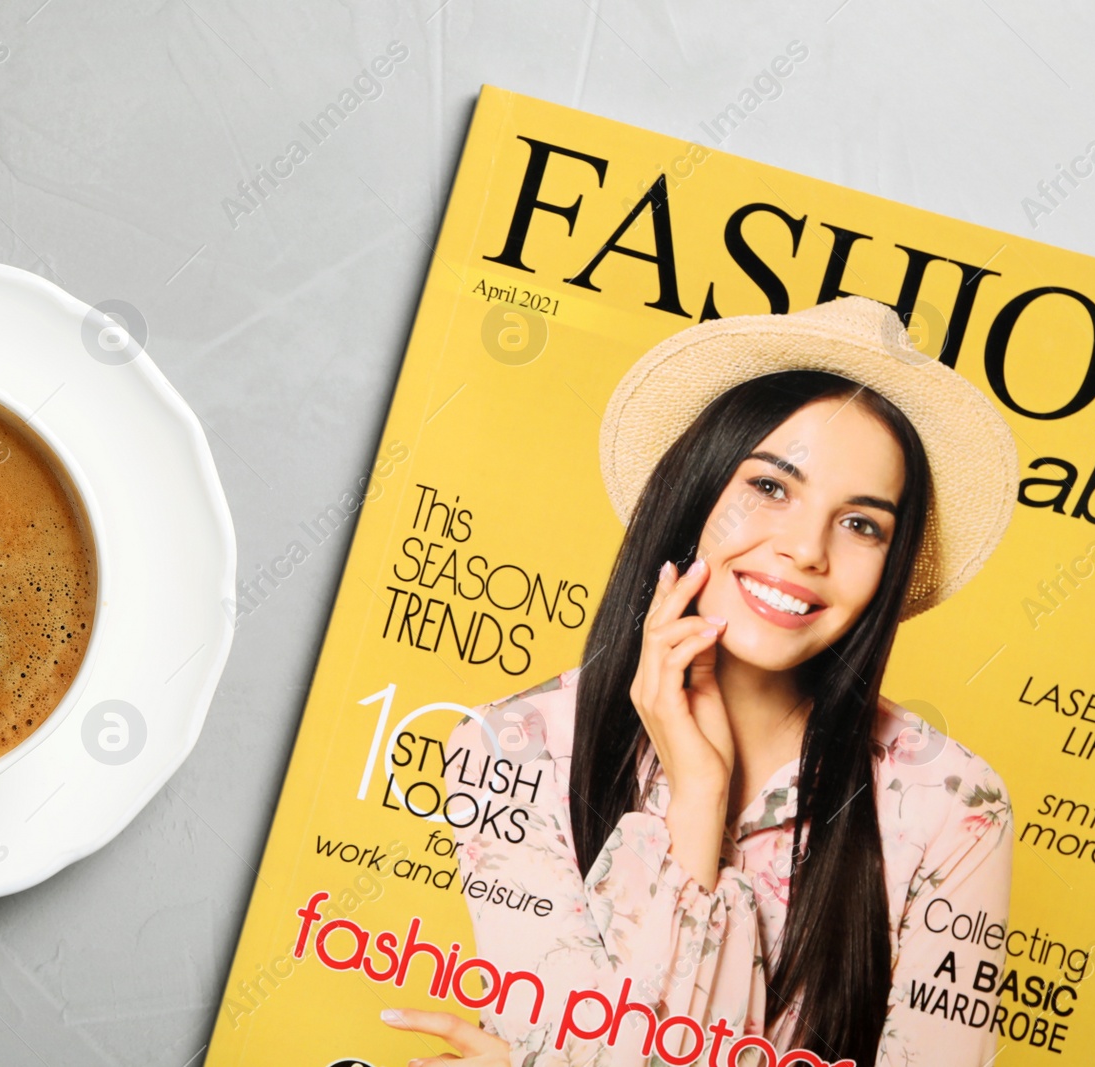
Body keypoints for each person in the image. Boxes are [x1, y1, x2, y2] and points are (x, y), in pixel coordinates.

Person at [384, 297, 1017, 1066]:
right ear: (696, 490)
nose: (806, 550)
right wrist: (698, 798)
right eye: (772, 487)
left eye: (861, 524)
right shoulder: (510, 750)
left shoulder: (956, 806)